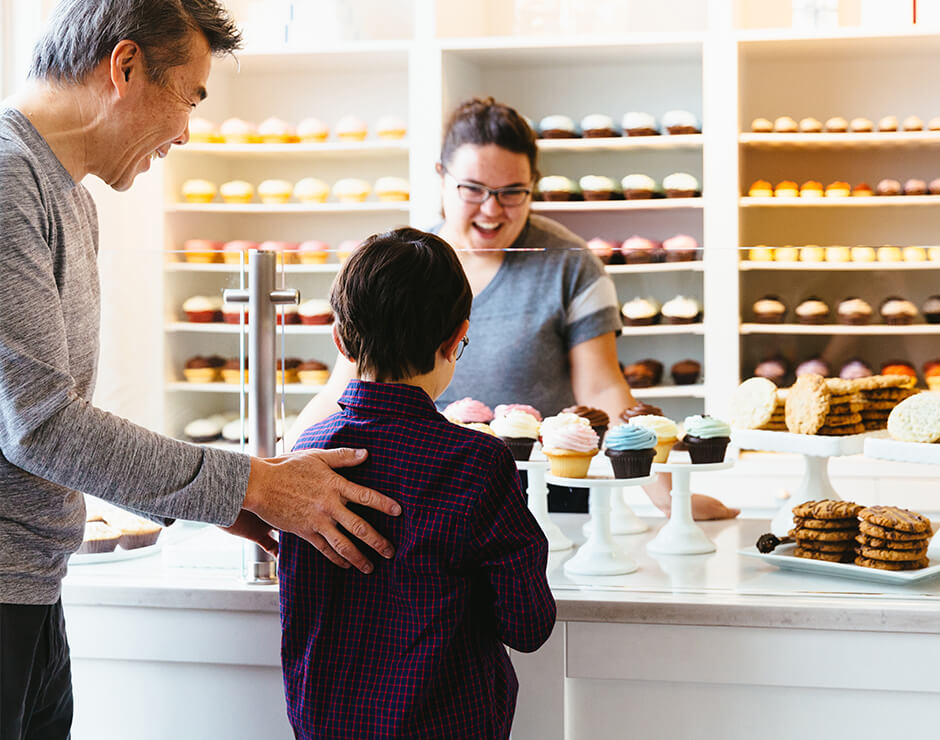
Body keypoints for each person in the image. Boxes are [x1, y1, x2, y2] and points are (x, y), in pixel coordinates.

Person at [0, 2, 401, 737]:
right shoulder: (6, 181)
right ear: (124, 68)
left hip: (30, 589)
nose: (186, 130)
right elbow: (37, 425)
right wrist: (247, 482)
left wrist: (221, 498)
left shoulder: (65, 195)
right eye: (188, 95)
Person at [290, 97, 739, 520]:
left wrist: (669, 496)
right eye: (474, 189)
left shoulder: (571, 264)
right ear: (441, 176)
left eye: (512, 192)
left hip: (540, 497)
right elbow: (343, 388)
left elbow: (601, 388)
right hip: (411, 490)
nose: (492, 209)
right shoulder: (400, 265)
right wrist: (281, 473)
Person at [279, 227, 555, 739]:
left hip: (325, 727)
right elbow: (527, 623)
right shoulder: (478, 463)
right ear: (456, 340)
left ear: (340, 341)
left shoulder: (303, 459)